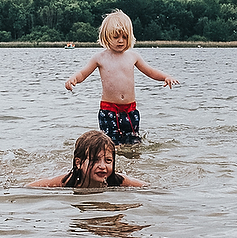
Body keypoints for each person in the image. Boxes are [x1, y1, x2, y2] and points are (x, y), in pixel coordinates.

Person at [64, 10, 178, 144]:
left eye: (124, 37)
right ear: (107, 36)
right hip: (109, 110)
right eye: (116, 37)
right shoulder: (100, 58)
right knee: (111, 144)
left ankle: (132, 164)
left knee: (134, 144)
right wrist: (74, 79)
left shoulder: (133, 57)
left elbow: (150, 72)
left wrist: (166, 77)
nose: (121, 41)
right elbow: (83, 73)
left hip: (130, 110)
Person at [29, 130, 147, 193]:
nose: (102, 166)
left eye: (108, 161)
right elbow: (30, 187)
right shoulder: (68, 181)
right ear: (79, 163)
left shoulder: (118, 181)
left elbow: (147, 187)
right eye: (95, 160)